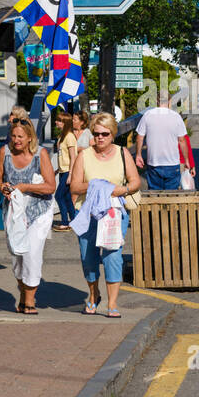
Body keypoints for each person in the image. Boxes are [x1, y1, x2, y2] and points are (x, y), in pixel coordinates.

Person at [70, 112, 141, 317]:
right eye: (96, 133)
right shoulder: (84, 155)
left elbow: (135, 181)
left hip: (114, 212)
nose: (100, 137)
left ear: (113, 134)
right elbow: (74, 186)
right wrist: (97, 187)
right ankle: (93, 295)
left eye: (105, 134)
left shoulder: (122, 153)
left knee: (112, 257)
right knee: (88, 258)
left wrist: (122, 190)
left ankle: (112, 303)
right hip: (88, 214)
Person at [0, 115, 56, 313]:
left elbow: (50, 186)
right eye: (13, 136)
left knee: (31, 253)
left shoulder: (40, 154)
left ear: (30, 138)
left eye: (21, 137)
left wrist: (24, 186)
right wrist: (2, 186)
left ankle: (30, 300)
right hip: (14, 212)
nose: (17, 140)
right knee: (17, 255)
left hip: (39, 211)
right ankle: (23, 293)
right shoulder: (4, 153)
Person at [134, 103, 189, 190]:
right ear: (169, 101)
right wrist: (186, 160)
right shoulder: (176, 116)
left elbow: (139, 137)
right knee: (171, 197)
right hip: (172, 164)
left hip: (154, 163)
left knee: (154, 196)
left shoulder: (147, 115)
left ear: (157, 101)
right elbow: (182, 141)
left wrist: (138, 155)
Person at [53, 109, 78, 230]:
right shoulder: (62, 136)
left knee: (59, 196)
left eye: (59, 121)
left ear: (65, 123)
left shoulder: (70, 137)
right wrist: (58, 170)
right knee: (67, 198)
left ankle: (65, 222)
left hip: (69, 171)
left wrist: (70, 174)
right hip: (63, 171)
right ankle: (74, 221)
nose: (56, 122)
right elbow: (63, 156)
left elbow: (73, 157)